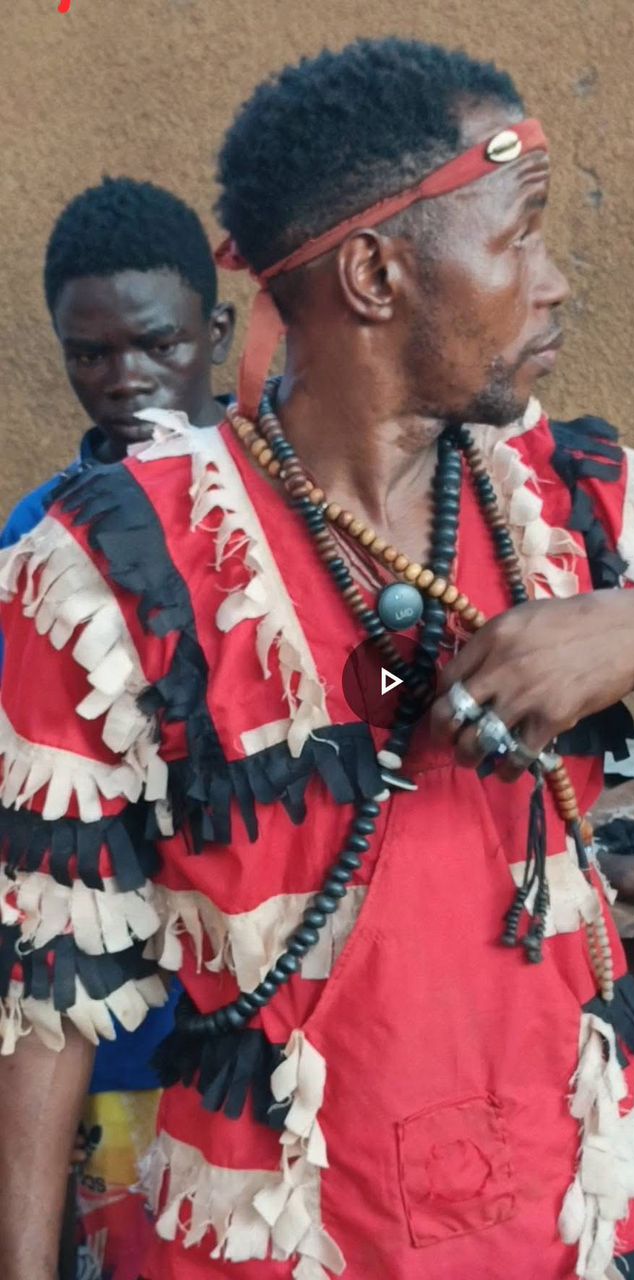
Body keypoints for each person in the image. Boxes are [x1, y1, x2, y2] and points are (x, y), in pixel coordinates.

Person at [1, 37, 634, 1280]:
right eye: (520, 235)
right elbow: (43, 1000)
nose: (555, 284)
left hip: (564, 1235)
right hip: (262, 1245)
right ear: (375, 274)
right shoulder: (107, 569)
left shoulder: (580, 506)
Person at [0, 175, 234, 1280]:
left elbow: (380, 689)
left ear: (215, 335)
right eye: (89, 354)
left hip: (283, 1011)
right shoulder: (39, 539)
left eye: (156, 344)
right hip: (109, 1031)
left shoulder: (294, 511)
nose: (124, 378)